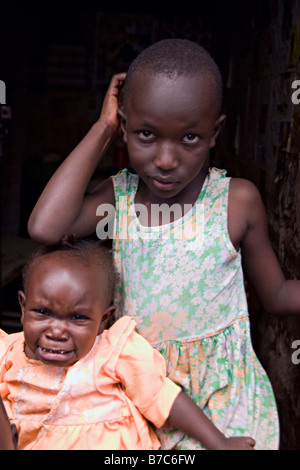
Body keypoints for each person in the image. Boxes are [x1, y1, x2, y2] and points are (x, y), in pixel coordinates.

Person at [27, 39, 300, 449]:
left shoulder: (236, 202)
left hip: (222, 399)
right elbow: (46, 227)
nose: (167, 159)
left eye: (189, 137)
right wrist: (102, 130)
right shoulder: (118, 200)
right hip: (136, 391)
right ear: (123, 127)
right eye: (146, 134)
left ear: (215, 133)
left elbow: (277, 294)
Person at [0, 237, 255, 450]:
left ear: (103, 320)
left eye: (78, 318)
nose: (56, 331)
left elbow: (163, 398)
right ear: (23, 307)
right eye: (42, 312)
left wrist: (219, 443)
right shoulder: (7, 354)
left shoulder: (114, 352)